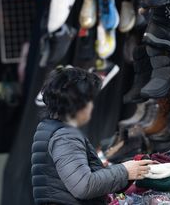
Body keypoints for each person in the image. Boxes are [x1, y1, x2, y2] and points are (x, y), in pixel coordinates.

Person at [31, 67, 154, 205]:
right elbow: (83, 186)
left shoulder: (50, 128)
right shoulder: (65, 137)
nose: (91, 106)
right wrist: (125, 171)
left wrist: (102, 170)